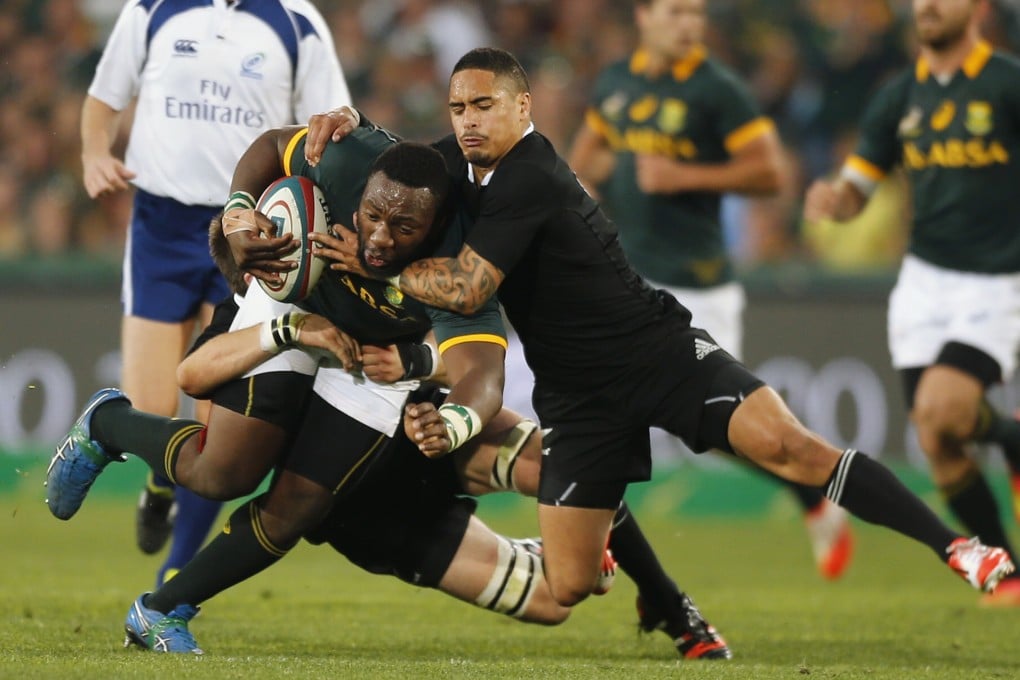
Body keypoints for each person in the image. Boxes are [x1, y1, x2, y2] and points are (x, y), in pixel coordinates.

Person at [299, 47, 1014, 619]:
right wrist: (353, 124)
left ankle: (960, 548)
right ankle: (631, 577)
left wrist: (376, 267)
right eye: (458, 108)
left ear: (524, 106)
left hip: (658, 353)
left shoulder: (530, 175)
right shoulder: (462, 160)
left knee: (793, 448)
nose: (467, 120)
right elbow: (403, 164)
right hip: (579, 394)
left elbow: (469, 287)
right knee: (570, 587)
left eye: (483, 104)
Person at [49, 132, 729, 659]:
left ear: (435, 230)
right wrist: (235, 217)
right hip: (299, 306)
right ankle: (111, 429)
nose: (378, 237)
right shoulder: (352, 159)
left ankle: (662, 603)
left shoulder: (464, 274)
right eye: (373, 217)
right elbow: (265, 153)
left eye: (403, 229)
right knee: (223, 471)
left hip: (372, 386)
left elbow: (480, 378)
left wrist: (446, 406)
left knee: (550, 561)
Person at [565, 0, 853, 580]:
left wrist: (683, 175)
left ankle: (811, 490)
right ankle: (590, 534)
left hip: (698, 285)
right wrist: (591, 199)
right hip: (631, 278)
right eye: (677, 12)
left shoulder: (716, 88)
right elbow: (584, 159)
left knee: (725, 431)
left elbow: (773, 172)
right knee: (598, 409)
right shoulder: (619, 81)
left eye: (696, 14)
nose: (690, 25)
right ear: (644, 17)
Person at [79, 0, 352, 585]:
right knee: (149, 402)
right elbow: (104, 97)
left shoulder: (298, 23)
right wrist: (94, 152)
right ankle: (158, 485)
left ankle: (175, 575)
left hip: (248, 231)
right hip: (160, 225)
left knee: (216, 426)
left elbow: (333, 121)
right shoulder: (151, 9)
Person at [803, 0, 1020, 606]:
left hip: (996, 280)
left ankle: (1004, 436)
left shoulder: (1006, 83)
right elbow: (859, 188)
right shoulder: (899, 96)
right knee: (937, 438)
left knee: (941, 410)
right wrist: (833, 198)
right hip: (922, 284)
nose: (926, 6)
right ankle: (1007, 570)